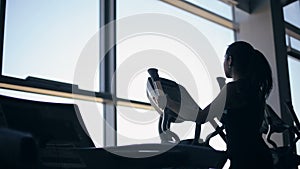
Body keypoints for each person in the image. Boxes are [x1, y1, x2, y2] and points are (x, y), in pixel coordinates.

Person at [154, 41, 274, 169]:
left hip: (246, 161)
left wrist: (168, 103)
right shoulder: (255, 91)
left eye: (224, 59)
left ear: (229, 60)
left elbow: (201, 117)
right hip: (259, 156)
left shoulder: (233, 89)